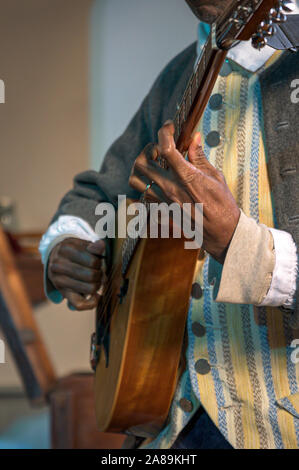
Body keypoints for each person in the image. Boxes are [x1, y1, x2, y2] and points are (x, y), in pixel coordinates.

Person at [39, 0, 299, 449]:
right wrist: (67, 245)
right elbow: (96, 196)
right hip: (168, 422)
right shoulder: (180, 72)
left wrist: (238, 240)